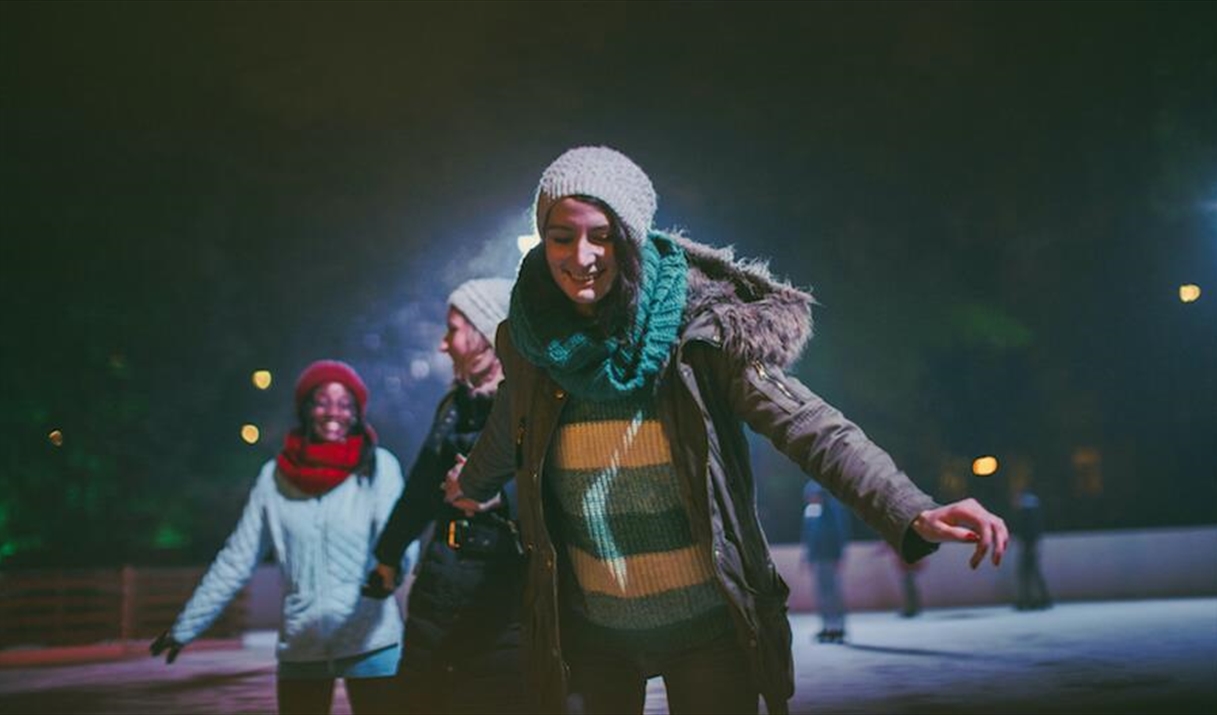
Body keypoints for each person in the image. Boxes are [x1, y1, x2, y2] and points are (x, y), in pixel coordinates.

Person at [444, 146, 1009, 715]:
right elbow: (507, 431)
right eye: (561, 236)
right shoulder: (530, 341)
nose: (580, 256)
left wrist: (911, 508)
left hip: (709, 629)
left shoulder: (701, 333)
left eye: (602, 236)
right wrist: (469, 484)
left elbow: (810, 427)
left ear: (632, 238)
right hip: (593, 634)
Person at [151, 360, 406, 715]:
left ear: (357, 413)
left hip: (370, 639)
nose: (333, 412)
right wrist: (185, 627)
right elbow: (237, 557)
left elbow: (399, 536)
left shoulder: (378, 467)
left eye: (345, 403)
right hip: (303, 643)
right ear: (305, 408)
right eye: (322, 401)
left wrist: (393, 569)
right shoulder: (274, 478)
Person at [364, 278, 530, 714]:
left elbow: (555, 485)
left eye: (452, 329)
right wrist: (388, 555)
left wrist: (497, 498)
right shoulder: (453, 405)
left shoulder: (528, 404)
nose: (443, 345)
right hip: (441, 581)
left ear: (485, 332)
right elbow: (421, 489)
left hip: (503, 591)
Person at [800, 482, 851, 643]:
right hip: (818, 558)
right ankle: (827, 626)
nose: (810, 499)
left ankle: (838, 627)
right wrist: (807, 558)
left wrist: (839, 556)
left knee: (833, 594)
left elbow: (839, 534)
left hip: (830, 557)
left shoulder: (833, 510)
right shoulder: (811, 511)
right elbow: (808, 537)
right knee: (822, 594)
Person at [1013, 488, 1053, 611]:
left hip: (1028, 545)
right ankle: (1039, 599)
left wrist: (1029, 544)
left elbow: (1028, 530)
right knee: (1032, 573)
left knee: (1027, 573)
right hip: (1030, 544)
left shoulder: (1027, 512)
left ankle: (1029, 600)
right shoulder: (1032, 511)